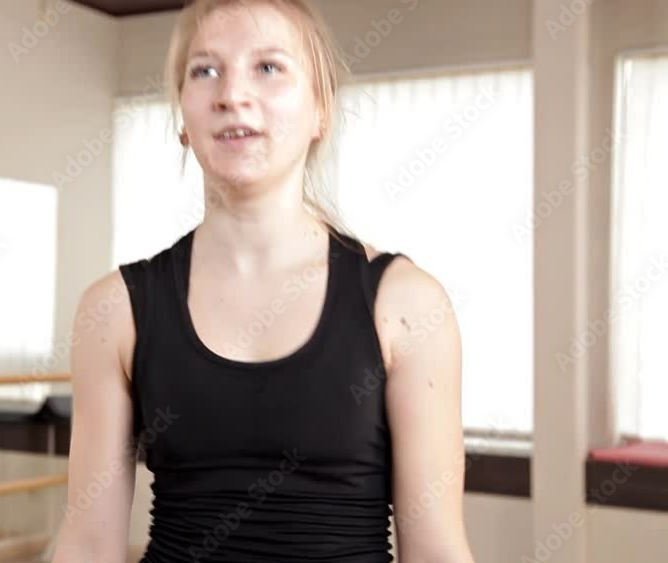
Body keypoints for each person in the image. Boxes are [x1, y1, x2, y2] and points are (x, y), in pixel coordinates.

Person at [53, 1, 475, 561]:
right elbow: (88, 546)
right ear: (183, 118)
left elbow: (437, 552)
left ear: (321, 109)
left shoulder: (407, 304)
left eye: (269, 67)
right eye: (205, 70)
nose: (232, 94)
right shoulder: (115, 310)